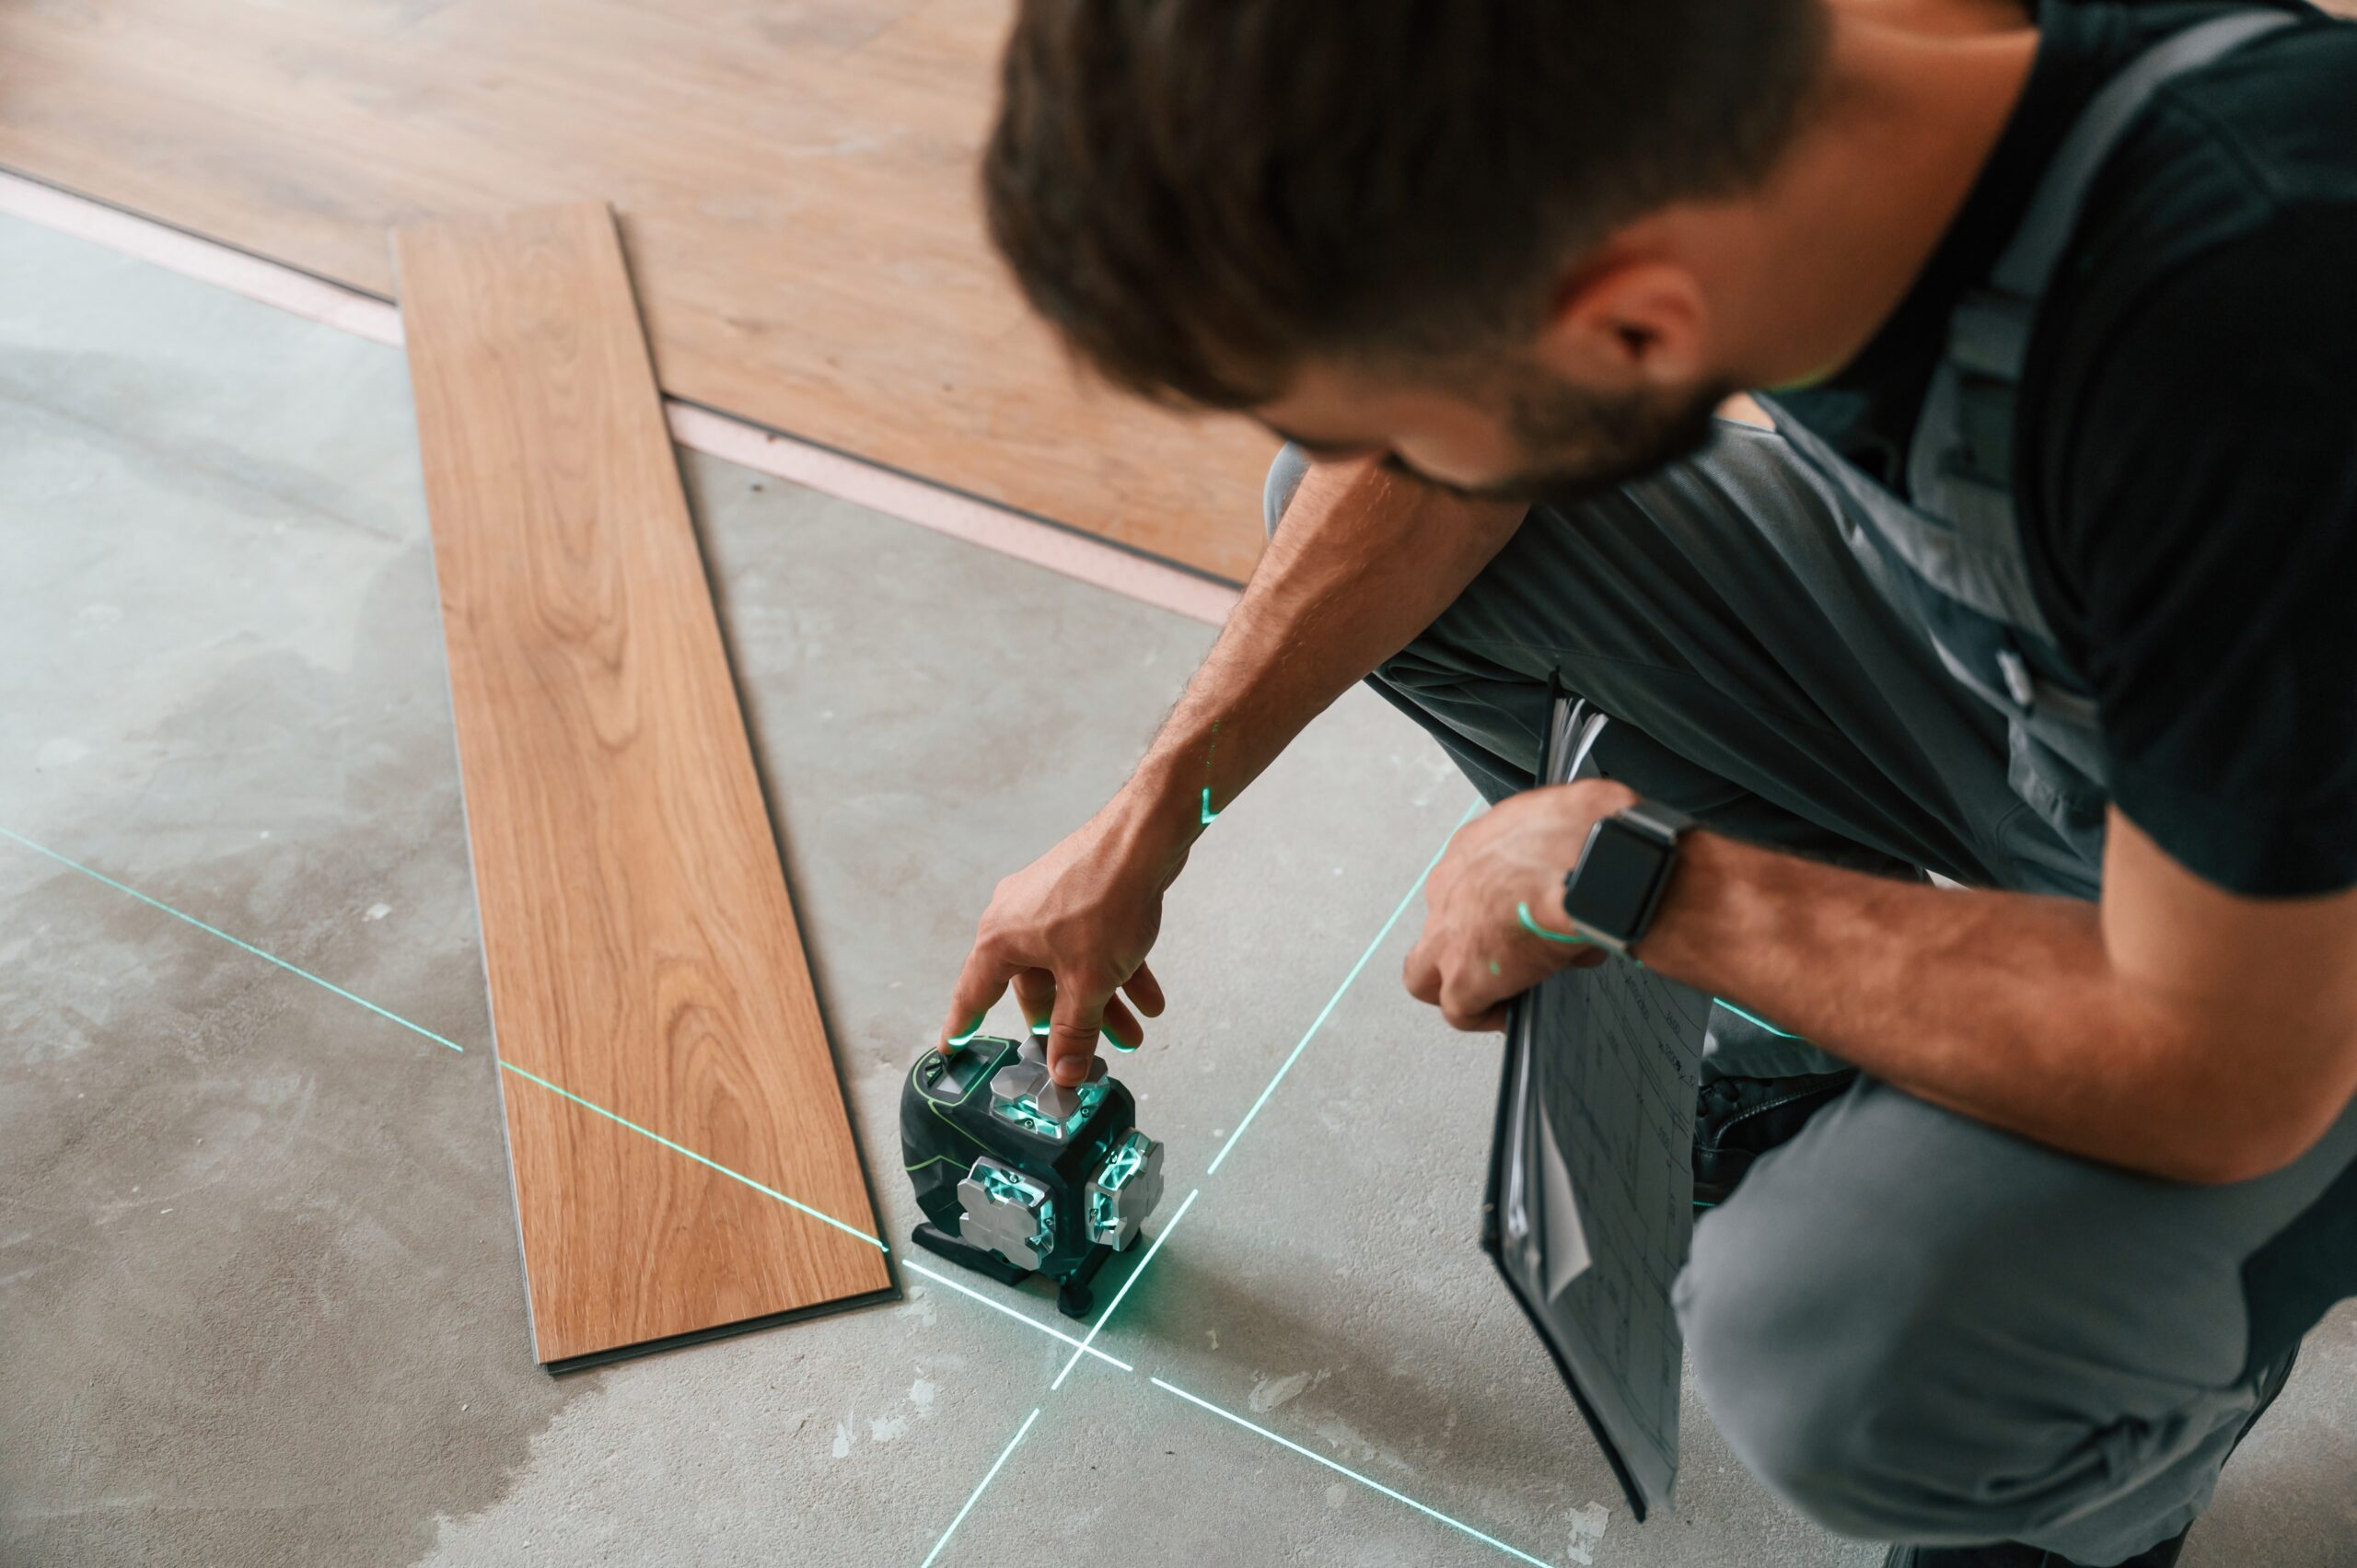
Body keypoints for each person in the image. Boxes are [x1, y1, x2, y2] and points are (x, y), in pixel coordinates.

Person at [940, 1, 2357, 1562]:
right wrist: (1160, 807)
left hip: (2284, 994)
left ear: (1636, 326)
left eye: (1397, 409)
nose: (1381, 450)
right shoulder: (1765, 105)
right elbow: (1408, 488)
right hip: (2119, 716)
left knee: (1844, 1350)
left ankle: (2094, 1452)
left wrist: (1643, 883)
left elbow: (2226, 1063)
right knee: (1363, 538)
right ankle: (1825, 1055)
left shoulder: (2239, 347)